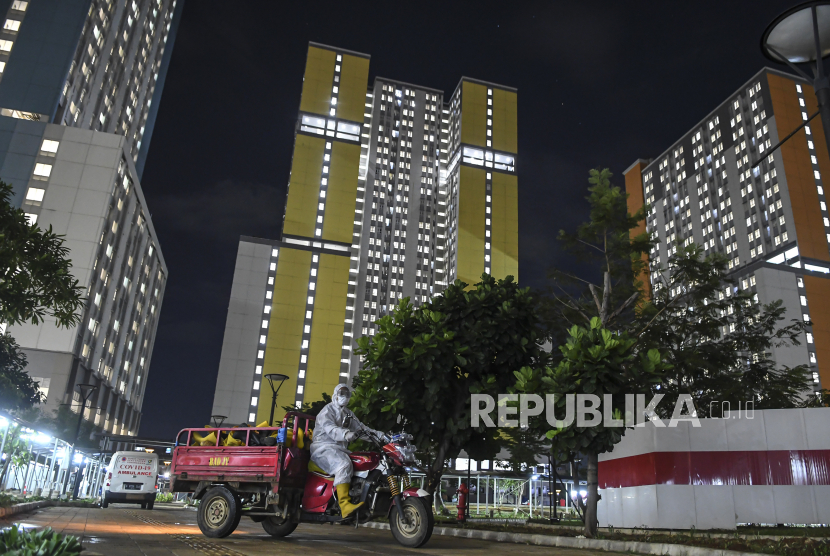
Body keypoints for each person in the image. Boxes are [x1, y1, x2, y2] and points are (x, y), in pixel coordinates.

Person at [310, 384, 388, 518]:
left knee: (360, 462)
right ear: (335, 394)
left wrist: (382, 436)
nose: (344, 397)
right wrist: (345, 433)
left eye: (347, 394)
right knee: (343, 464)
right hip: (323, 448)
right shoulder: (326, 411)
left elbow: (362, 429)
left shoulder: (348, 414)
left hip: (339, 449)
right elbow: (330, 429)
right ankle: (344, 504)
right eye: (342, 393)